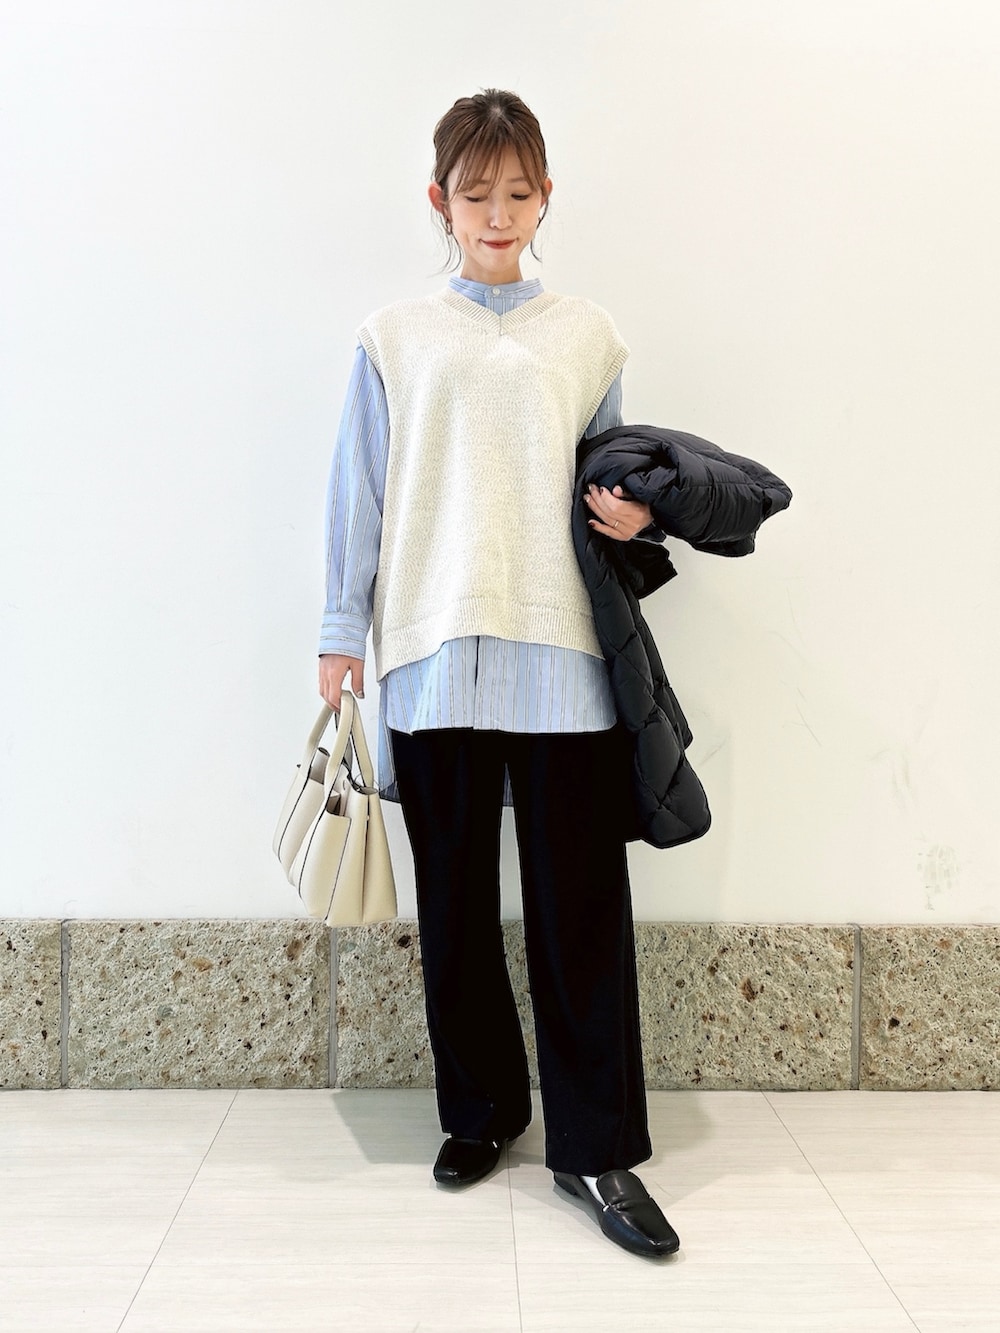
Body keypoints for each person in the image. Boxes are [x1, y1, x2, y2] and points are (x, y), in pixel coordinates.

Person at [318, 89, 679, 1259]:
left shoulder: (588, 336)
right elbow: (358, 491)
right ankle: (480, 1112)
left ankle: (596, 1148)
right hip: (429, 651)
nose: (497, 213)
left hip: (559, 649)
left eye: (518, 192)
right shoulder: (393, 337)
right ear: (440, 200)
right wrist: (339, 633)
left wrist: (633, 517)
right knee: (457, 903)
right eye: (475, 193)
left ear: (544, 197)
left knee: (580, 911)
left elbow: (610, 478)